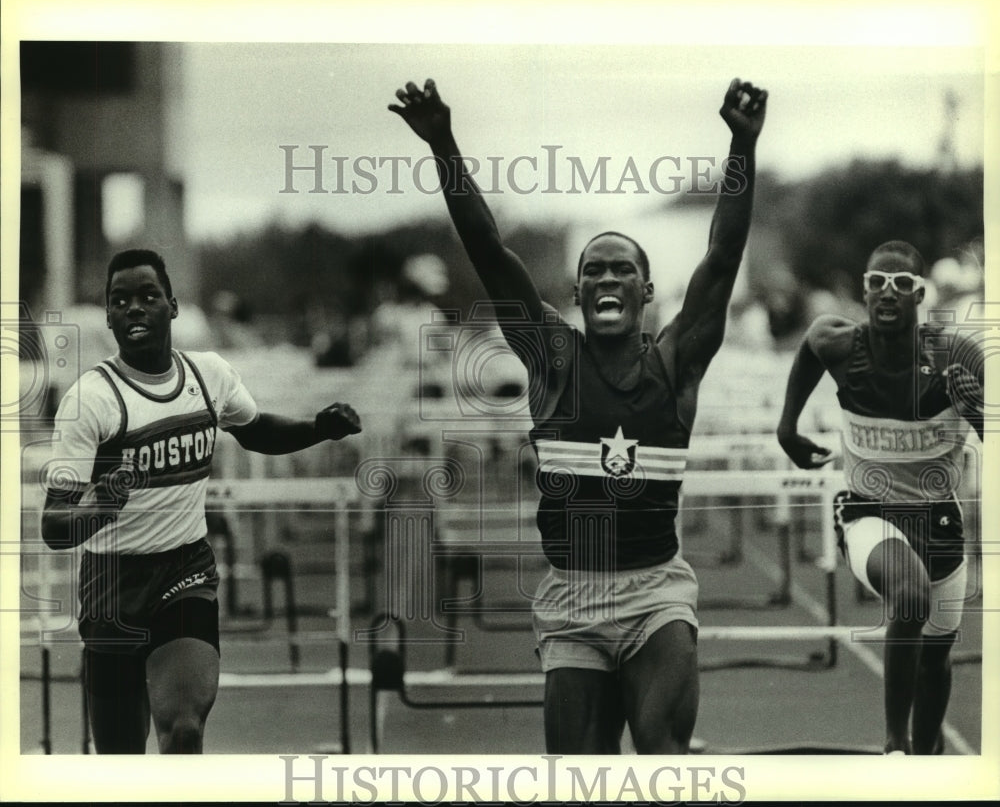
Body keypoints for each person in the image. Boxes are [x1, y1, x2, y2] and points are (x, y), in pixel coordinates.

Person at [390, 77, 767, 753]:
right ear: (576, 291)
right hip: (572, 600)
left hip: (656, 595)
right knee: (578, 775)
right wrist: (443, 142)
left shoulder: (677, 362)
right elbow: (489, 253)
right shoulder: (551, 361)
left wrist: (742, 145)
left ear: (647, 291)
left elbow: (723, 256)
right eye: (593, 272)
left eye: (622, 270)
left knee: (660, 751)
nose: (606, 280)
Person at [40, 249, 362, 753]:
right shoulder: (90, 401)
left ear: (173, 306)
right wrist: (100, 508)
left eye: (148, 296)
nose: (134, 309)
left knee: (184, 728)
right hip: (112, 584)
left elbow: (255, 431)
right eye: (120, 300)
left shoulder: (208, 375)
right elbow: (53, 526)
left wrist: (318, 428)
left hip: (184, 570)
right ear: (107, 316)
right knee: (119, 760)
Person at [777, 240, 983, 755]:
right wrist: (788, 429)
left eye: (901, 285)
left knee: (937, 656)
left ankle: (927, 750)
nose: (887, 293)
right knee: (909, 597)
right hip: (867, 510)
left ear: (920, 296)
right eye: (876, 283)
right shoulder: (841, 344)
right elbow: (810, 343)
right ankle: (895, 744)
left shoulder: (955, 356)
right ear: (865, 292)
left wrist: (979, 411)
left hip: (938, 518)